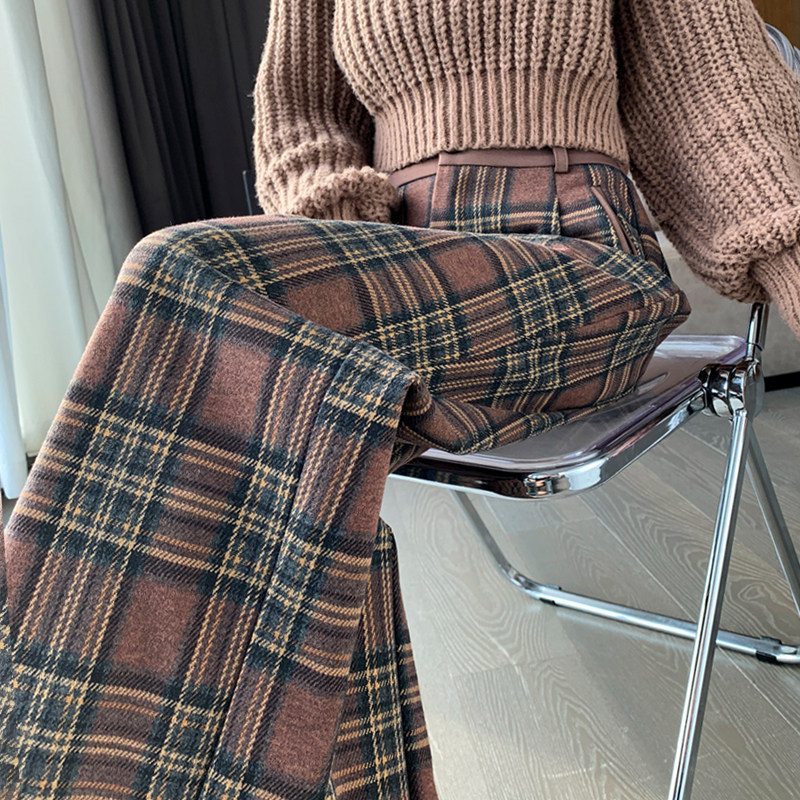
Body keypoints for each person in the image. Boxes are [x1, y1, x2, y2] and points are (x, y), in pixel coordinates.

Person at [0, 2, 796, 800]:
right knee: (296, 434)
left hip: (577, 264)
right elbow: (300, 120)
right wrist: (344, 242)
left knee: (186, 274)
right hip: (407, 260)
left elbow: (721, 105)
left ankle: (43, 767)